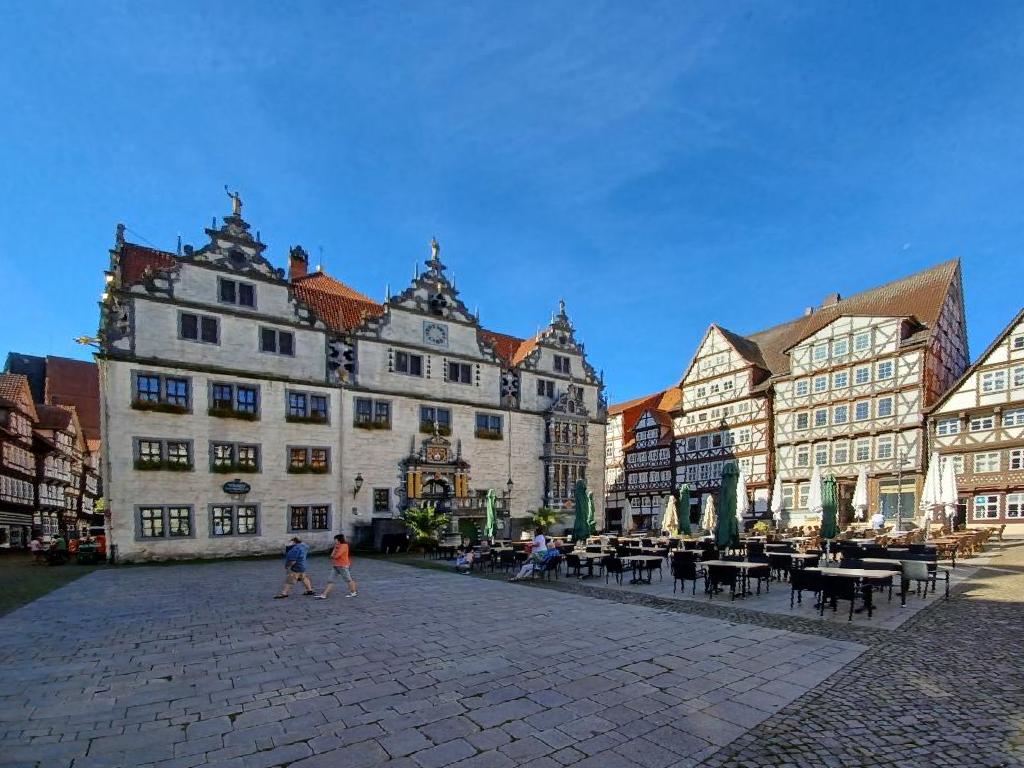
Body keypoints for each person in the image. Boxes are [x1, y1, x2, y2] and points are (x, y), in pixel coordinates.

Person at [317, 534, 358, 599]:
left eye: (335, 539)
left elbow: (337, 556)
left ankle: (353, 592)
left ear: (339, 539)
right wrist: (335, 550)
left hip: (342, 566)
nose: (334, 541)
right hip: (335, 565)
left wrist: (334, 555)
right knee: (330, 580)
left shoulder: (344, 546)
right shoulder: (337, 545)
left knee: (348, 580)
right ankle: (324, 595)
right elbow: (332, 555)